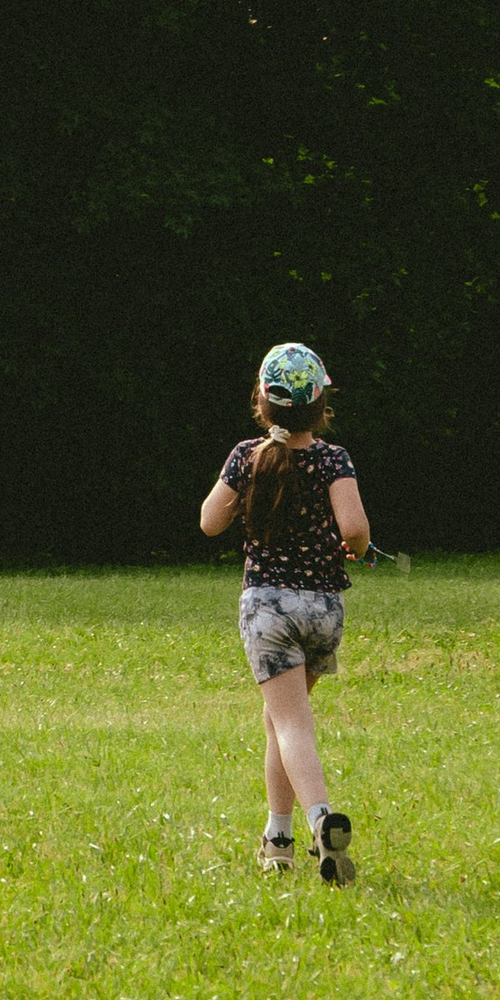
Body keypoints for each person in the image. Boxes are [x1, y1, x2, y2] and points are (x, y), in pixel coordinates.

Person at [199, 340, 368, 882]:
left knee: (290, 722)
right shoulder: (334, 459)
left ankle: (320, 820)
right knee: (279, 720)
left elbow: (209, 522)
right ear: (321, 405)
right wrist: (358, 549)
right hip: (323, 610)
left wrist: (242, 481)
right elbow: (355, 530)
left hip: (269, 609)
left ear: (262, 402)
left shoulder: (247, 455)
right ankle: (278, 841)